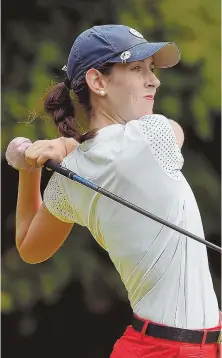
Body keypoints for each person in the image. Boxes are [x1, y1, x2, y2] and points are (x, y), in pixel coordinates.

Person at [6, 24, 221, 357]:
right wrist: (62, 148)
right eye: (137, 69)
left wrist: (28, 169)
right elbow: (174, 131)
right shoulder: (150, 136)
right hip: (170, 350)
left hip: (175, 345)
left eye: (151, 69)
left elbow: (29, 247)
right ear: (98, 82)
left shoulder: (69, 175)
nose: (154, 80)